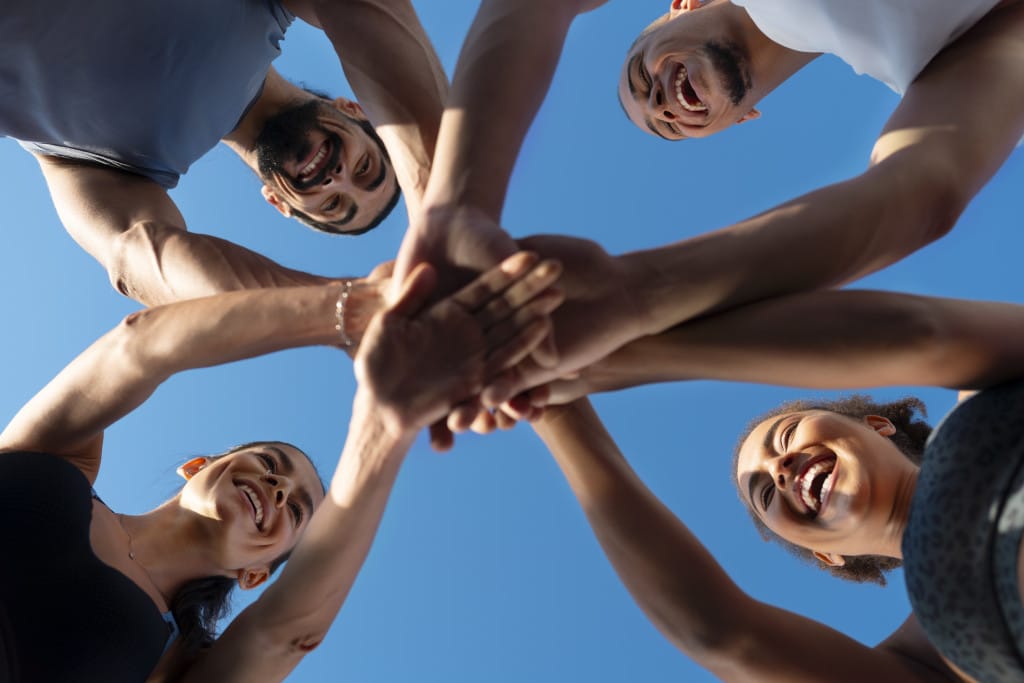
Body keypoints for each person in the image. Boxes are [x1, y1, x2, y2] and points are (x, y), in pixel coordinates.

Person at [386, 0, 1024, 407]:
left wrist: (456, 208)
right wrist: (631, 297)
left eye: (642, 76)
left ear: (680, 7)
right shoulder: (931, 64)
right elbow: (919, 190)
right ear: (741, 119)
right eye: (665, 124)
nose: (662, 104)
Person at [0, 251, 563, 682]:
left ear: (256, 575)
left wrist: (390, 416)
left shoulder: (176, 663)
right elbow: (140, 347)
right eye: (271, 463)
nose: (276, 485)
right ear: (196, 466)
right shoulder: (63, 460)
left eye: (295, 508)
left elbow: (290, 633)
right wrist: (352, 310)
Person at [531, 287, 1024, 682]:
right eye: (766, 493)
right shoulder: (930, 665)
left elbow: (923, 333)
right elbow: (725, 638)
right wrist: (551, 408)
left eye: (786, 436)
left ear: (877, 425)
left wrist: (620, 357)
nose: (782, 469)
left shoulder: (990, 389)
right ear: (829, 556)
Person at [5, 0, 447, 305]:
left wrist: (347, 307)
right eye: (365, 166)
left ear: (279, 202)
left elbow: (137, 257)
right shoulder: (267, 8)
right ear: (353, 108)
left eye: (333, 204)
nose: (337, 179)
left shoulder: (123, 170)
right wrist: (443, 212)